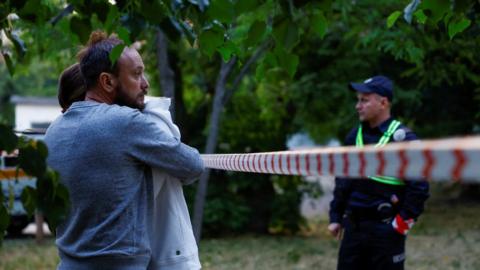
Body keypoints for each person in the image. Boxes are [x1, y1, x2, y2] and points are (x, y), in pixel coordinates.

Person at [45, 31, 204, 270]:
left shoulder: (54, 130)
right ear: (107, 81)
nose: (145, 83)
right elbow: (192, 166)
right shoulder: (125, 122)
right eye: (137, 74)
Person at [328, 75, 430, 270]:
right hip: (353, 229)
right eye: (358, 100)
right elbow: (343, 180)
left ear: (383, 102)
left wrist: (400, 225)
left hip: (385, 229)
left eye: (364, 100)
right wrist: (335, 216)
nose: (358, 106)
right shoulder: (353, 136)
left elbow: (419, 186)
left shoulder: (402, 138)